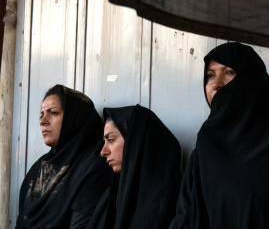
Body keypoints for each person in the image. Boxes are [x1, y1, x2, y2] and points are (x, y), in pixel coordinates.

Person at [170, 41, 269, 229]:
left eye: (229, 72)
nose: (216, 84)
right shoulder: (205, 146)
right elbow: (185, 217)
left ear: (250, 78)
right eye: (209, 76)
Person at [16, 85, 111, 229]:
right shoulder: (38, 169)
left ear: (75, 117)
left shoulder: (94, 167)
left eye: (53, 113)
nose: (43, 121)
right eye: (41, 115)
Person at [88, 104, 181, 229]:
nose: (103, 152)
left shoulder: (169, 201)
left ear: (136, 142)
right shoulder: (111, 196)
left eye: (110, 140)